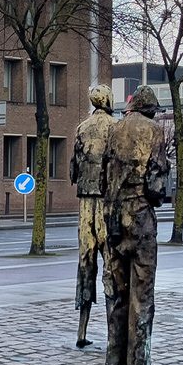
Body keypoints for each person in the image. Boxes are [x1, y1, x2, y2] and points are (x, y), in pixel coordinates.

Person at [100, 86, 170, 365]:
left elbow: (103, 176)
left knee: (117, 293)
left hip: (113, 218)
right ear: (151, 110)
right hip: (140, 218)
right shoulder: (155, 131)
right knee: (143, 295)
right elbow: (156, 183)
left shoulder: (115, 130)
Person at [69, 84, 116, 349]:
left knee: (85, 266)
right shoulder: (115, 128)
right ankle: (112, 332)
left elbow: (73, 172)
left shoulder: (81, 128)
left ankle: (81, 330)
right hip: (107, 205)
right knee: (111, 266)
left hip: (85, 206)